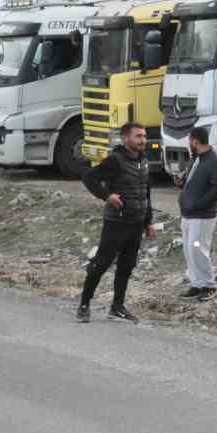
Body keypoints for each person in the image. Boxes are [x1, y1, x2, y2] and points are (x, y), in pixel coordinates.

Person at [77, 121, 155, 322]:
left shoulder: (144, 160)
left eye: (144, 136)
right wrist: (107, 196)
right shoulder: (115, 160)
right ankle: (84, 305)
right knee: (101, 264)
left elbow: (145, 192)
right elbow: (89, 178)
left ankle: (117, 307)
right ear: (125, 138)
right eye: (138, 136)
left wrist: (148, 222)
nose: (142, 140)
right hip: (116, 223)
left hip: (136, 223)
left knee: (126, 266)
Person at [177, 125, 217, 301]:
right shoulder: (196, 159)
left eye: (190, 141)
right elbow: (193, 182)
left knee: (199, 250)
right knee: (189, 250)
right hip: (188, 214)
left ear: (194, 141)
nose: (190, 144)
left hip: (202, 216)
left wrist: (199, 204)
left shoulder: (214, 161)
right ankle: (196, 284)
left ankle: (209, 285)